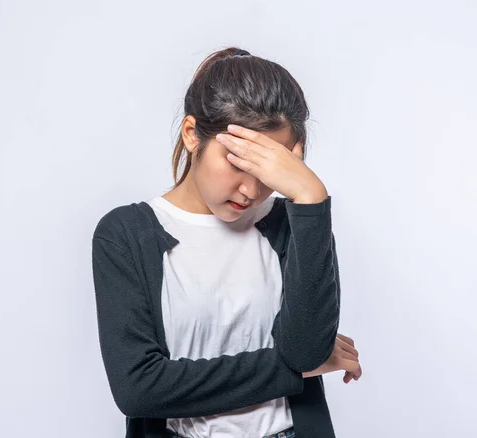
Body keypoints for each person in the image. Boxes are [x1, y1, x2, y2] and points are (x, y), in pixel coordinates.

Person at [91, 47, 362, 438]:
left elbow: (305, 350)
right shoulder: (126, 234)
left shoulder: (293, 224)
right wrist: (289, 370)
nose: (251, 189)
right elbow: (139, 390)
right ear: (191, 134)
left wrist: (309, 196)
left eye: (268, 168)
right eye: (237, 161)